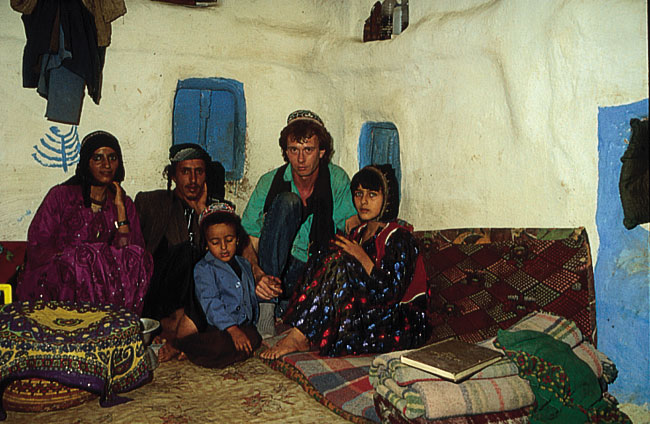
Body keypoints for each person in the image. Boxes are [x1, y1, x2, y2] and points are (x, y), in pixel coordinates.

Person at [261, 164, 428, 359]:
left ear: (388, 198)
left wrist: (361, 256)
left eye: (372, 195)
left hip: (398, 323)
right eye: (358, 194)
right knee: (323, 254)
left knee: (339, 261)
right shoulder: (359, 233)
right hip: (367, 313)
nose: (363, 201)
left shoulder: (399, 237)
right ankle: (301, 329)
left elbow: (390, 293)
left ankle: (300, 335)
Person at [241, 110, 358, 338]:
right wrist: (257, 275)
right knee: (287, 202)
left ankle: (293, 310)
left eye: (308, 150)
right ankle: (267, 308)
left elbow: (351, 229)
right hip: (275, 271)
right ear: (286, 152)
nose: (301, 159)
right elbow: (248, 240)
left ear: (321, 152)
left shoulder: (336, 179)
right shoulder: (270, 182)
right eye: (294, 150)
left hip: (315, 271)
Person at [17, 131, 153, 315]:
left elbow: (132, 256)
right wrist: (80, 258)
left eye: (112, 158)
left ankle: (114, 322)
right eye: (98, 158)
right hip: (60, 283)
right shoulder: (60, 196)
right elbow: (38, 246)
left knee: (139, 257)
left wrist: (120, 210)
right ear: (86, 163)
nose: (107, 165)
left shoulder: (124, 203)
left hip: (107, 289)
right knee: (86, 259)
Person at [135, 143, 225, 361]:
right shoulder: (151, 203)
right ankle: (175, 326)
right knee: (186, 252)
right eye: (186, 172)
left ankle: (179, 330)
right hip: (158, 292)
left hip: (196, 295)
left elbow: (224, 254)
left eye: (199, 172)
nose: (193, 180)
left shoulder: (215, 210)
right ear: (174, 176)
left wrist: (202, 212)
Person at [172, 201, 262, 368]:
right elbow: (210, 302)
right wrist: (232, 329)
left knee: (254, 338)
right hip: (215, 327)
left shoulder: (244, 264)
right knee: (219, 345)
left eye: (229, 240)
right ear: (206, 244)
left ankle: (199, 352)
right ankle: (181, 345)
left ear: (237, 239)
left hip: (242, 325)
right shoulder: (204, 268)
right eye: (215, 242)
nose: (223, 247)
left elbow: (250, 296)